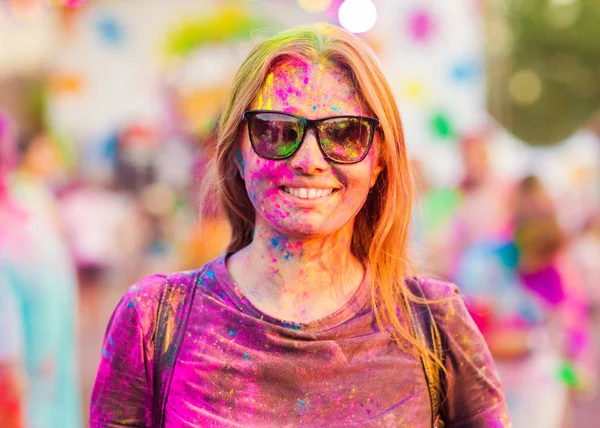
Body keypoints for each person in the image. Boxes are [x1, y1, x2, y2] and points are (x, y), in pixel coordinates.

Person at [91, 23, 510, 427]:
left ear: (379, 158)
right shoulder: (152, 320)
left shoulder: (436, 324)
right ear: (238, 149)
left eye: (344, 133)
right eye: (276, 130)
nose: (309, 160)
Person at [455, 175, 594, 427]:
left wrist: (568, 362)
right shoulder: (485, 263)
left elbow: (572, 328)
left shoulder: (557, 270)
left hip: (535, 390)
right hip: (491, 385)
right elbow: (477, 338)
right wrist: (533, 340)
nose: (539, 265)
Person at [0, 114, 81, 427]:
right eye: (46, 149)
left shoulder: (32, 197)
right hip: (30, 336)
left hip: (46, 325)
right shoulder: (19, 198)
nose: (53, 157)